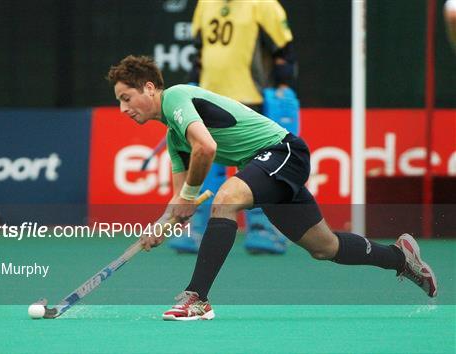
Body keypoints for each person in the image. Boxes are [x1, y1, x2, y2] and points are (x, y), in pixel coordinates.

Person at [106, 55, 438, 321]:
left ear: (149, 88)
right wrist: (161, 226)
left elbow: (205, 149)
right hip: (263, 169)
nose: (123, 108)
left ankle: (197, 298)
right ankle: (400, 258)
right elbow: (181, 199)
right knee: (324, 247)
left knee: (226, 200)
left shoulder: (177, 96)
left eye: (127, 97)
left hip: (283, 152)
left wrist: (187, 200)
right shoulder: (173, 138)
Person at [168, 0, 299, 254]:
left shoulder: (264, 5)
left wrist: (283, 87)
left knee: (257, 170)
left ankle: (261, 230)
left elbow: (284, 51)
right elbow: (199, 54)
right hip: (207, 100)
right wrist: (190, 90)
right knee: (208, 166)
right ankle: (198, 230)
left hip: (251, 101)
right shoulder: (205, 4)